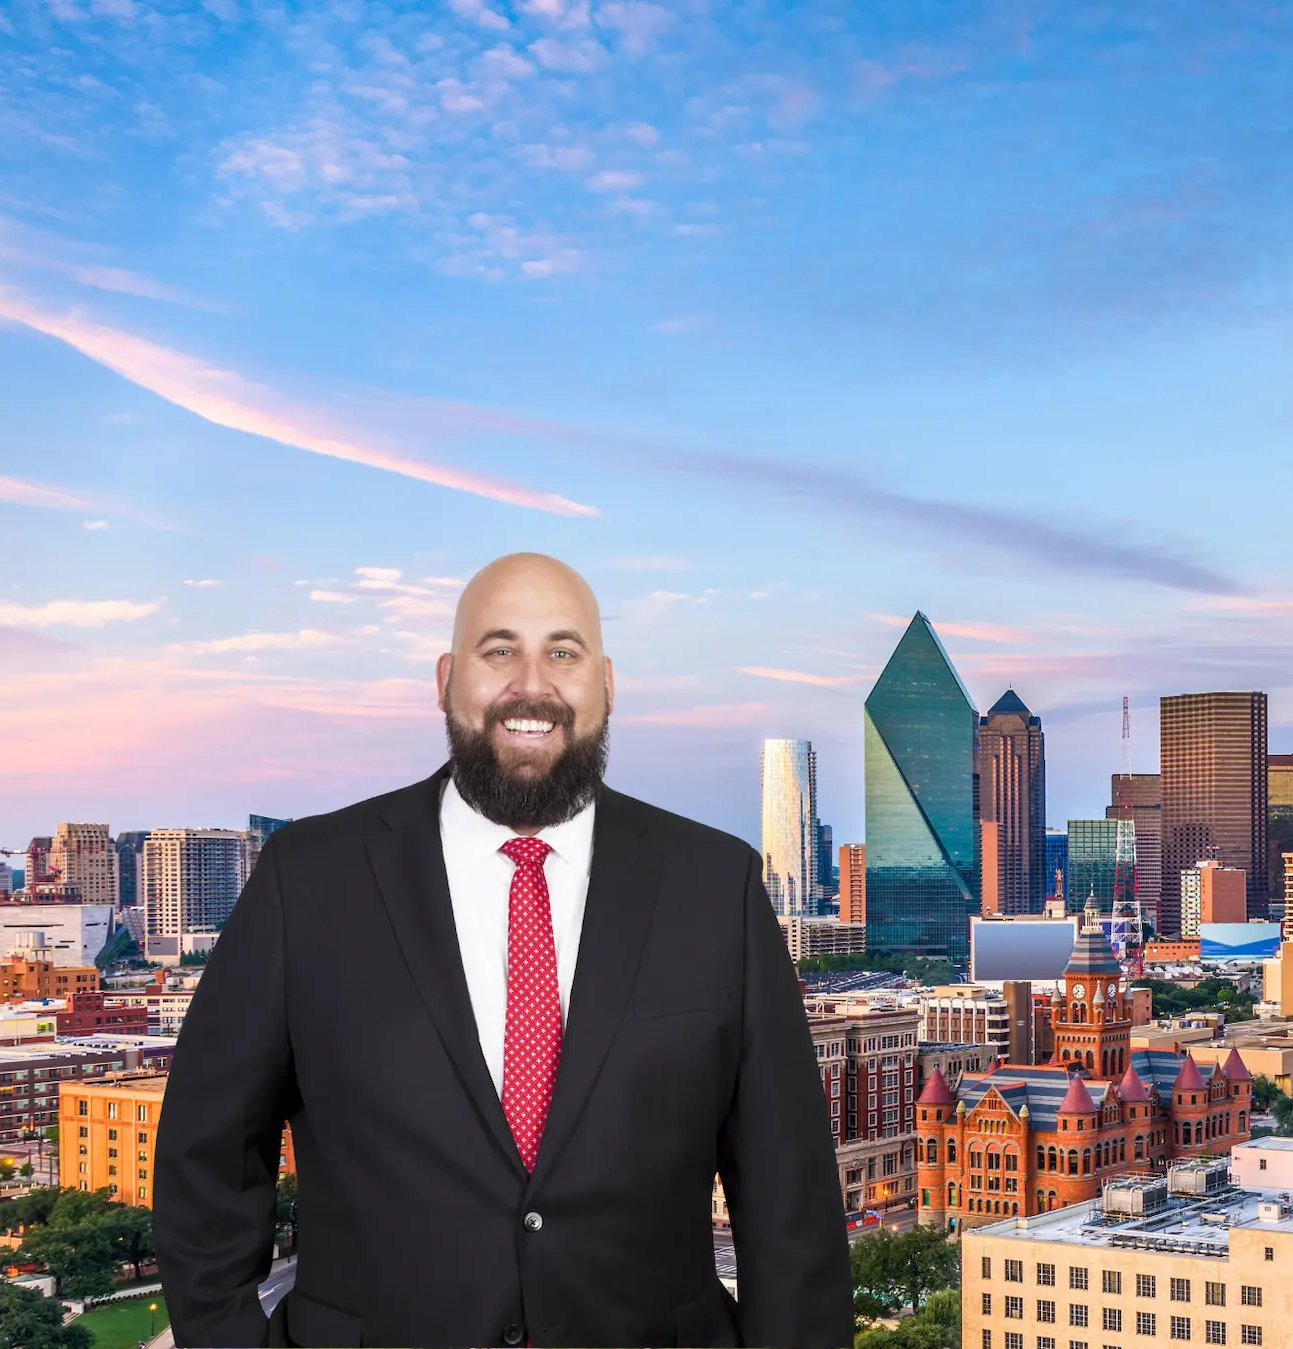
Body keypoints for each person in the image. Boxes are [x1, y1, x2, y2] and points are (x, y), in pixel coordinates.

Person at [155, 553, 851, 1347]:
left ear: (607, 683)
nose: (532, 683)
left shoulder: (715, 885)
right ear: (448, 677)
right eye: (499, 651)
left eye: (563, 651)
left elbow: (790, 1202)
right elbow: (206, 1155)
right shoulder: (308, 878)